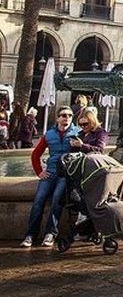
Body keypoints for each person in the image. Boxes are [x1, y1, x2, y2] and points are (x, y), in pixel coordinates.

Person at [20, 106, 80, 248]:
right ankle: (30, 235)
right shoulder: (49, 135)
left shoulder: (77, 132)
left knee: (57, 199)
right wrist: (39, 171)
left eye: (70, 115)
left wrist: (79, 146)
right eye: (64, 115)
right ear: (57, 118)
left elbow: (82, 154)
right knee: (39, 200)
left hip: (65, 174)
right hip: (50, 172)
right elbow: (35, 154)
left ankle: (51, 233)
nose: (67, 118)